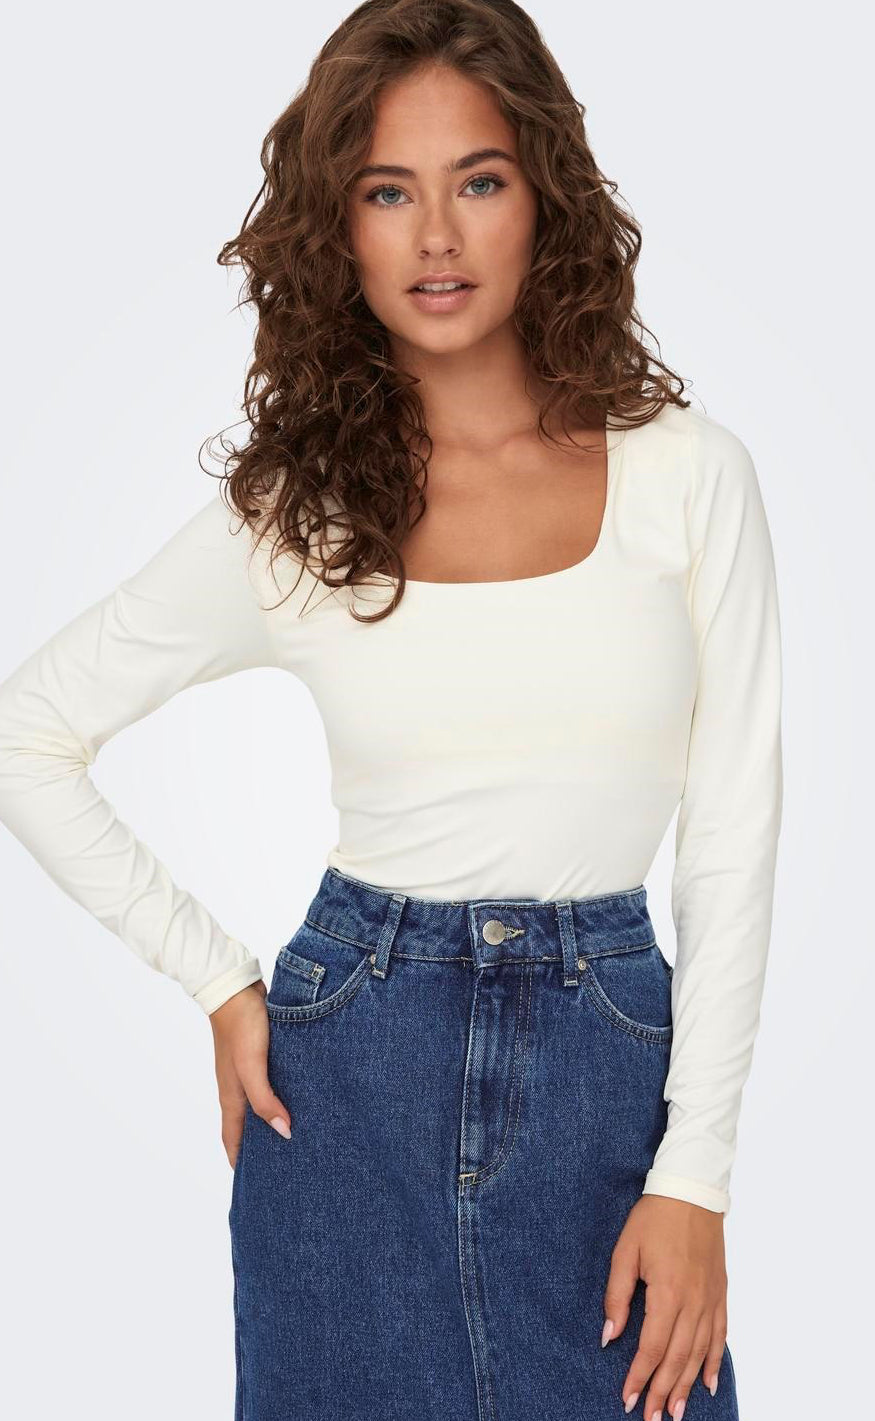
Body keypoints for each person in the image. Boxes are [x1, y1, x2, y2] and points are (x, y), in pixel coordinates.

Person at [0, 3, 783, 1419]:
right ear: (337, 229)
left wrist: (698, 1176)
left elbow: (731, 838)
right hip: (349, 1087)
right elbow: (28, 732)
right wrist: (216, 977)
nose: (435, 237)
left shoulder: (689, 476)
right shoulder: (294, 518)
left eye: (478, 181)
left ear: (544, 197)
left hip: (613, 1096)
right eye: (385, 192)